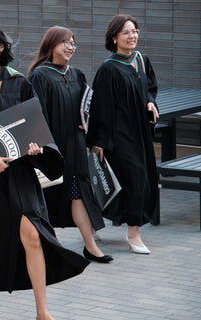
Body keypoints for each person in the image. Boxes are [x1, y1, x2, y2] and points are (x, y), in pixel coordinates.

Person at [0, 20, 90, 320]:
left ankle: (42, 311)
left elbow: (37, 126)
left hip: (21, 176)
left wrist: (36, 148)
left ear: (2, 45)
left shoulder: (20, 83)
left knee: (33, 235)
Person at [27, 26, 112, 263]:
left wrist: (91, 133)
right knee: (44, 198)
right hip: (51, 146)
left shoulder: (76, 74)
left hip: (74, 145)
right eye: (65, 41)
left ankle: (90, 246)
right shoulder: (39, 76)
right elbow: (35, 113)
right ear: (51, 44)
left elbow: (87, 109)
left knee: (78, 194)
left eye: (73, 43)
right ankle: (45, 246)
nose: (70, 46)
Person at [86, 14, 159, 254]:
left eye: (135, 30)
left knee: (143, 178)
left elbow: (149, 88)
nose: (132, 35)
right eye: (126, 32)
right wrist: (99, 141)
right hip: (120, 135)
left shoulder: (141, 60)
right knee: (133, 180)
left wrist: (150, 102)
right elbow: (101, 108)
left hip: (141, 132)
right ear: (114, 37)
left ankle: (90, 220)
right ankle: (133, 233)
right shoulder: (109, 69)